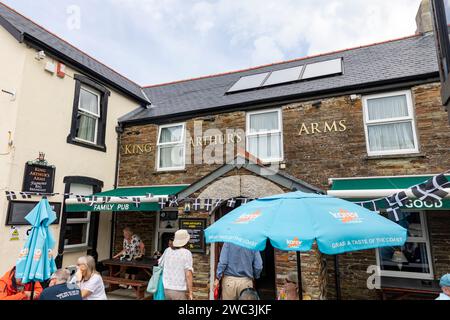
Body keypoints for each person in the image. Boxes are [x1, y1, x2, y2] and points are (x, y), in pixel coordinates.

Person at [159, 229, 194, 300]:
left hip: (166, 288)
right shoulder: (186, 253)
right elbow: (188, 274)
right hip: (179, 289)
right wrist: (190, 292)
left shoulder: (167, 250)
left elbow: (160, 264)